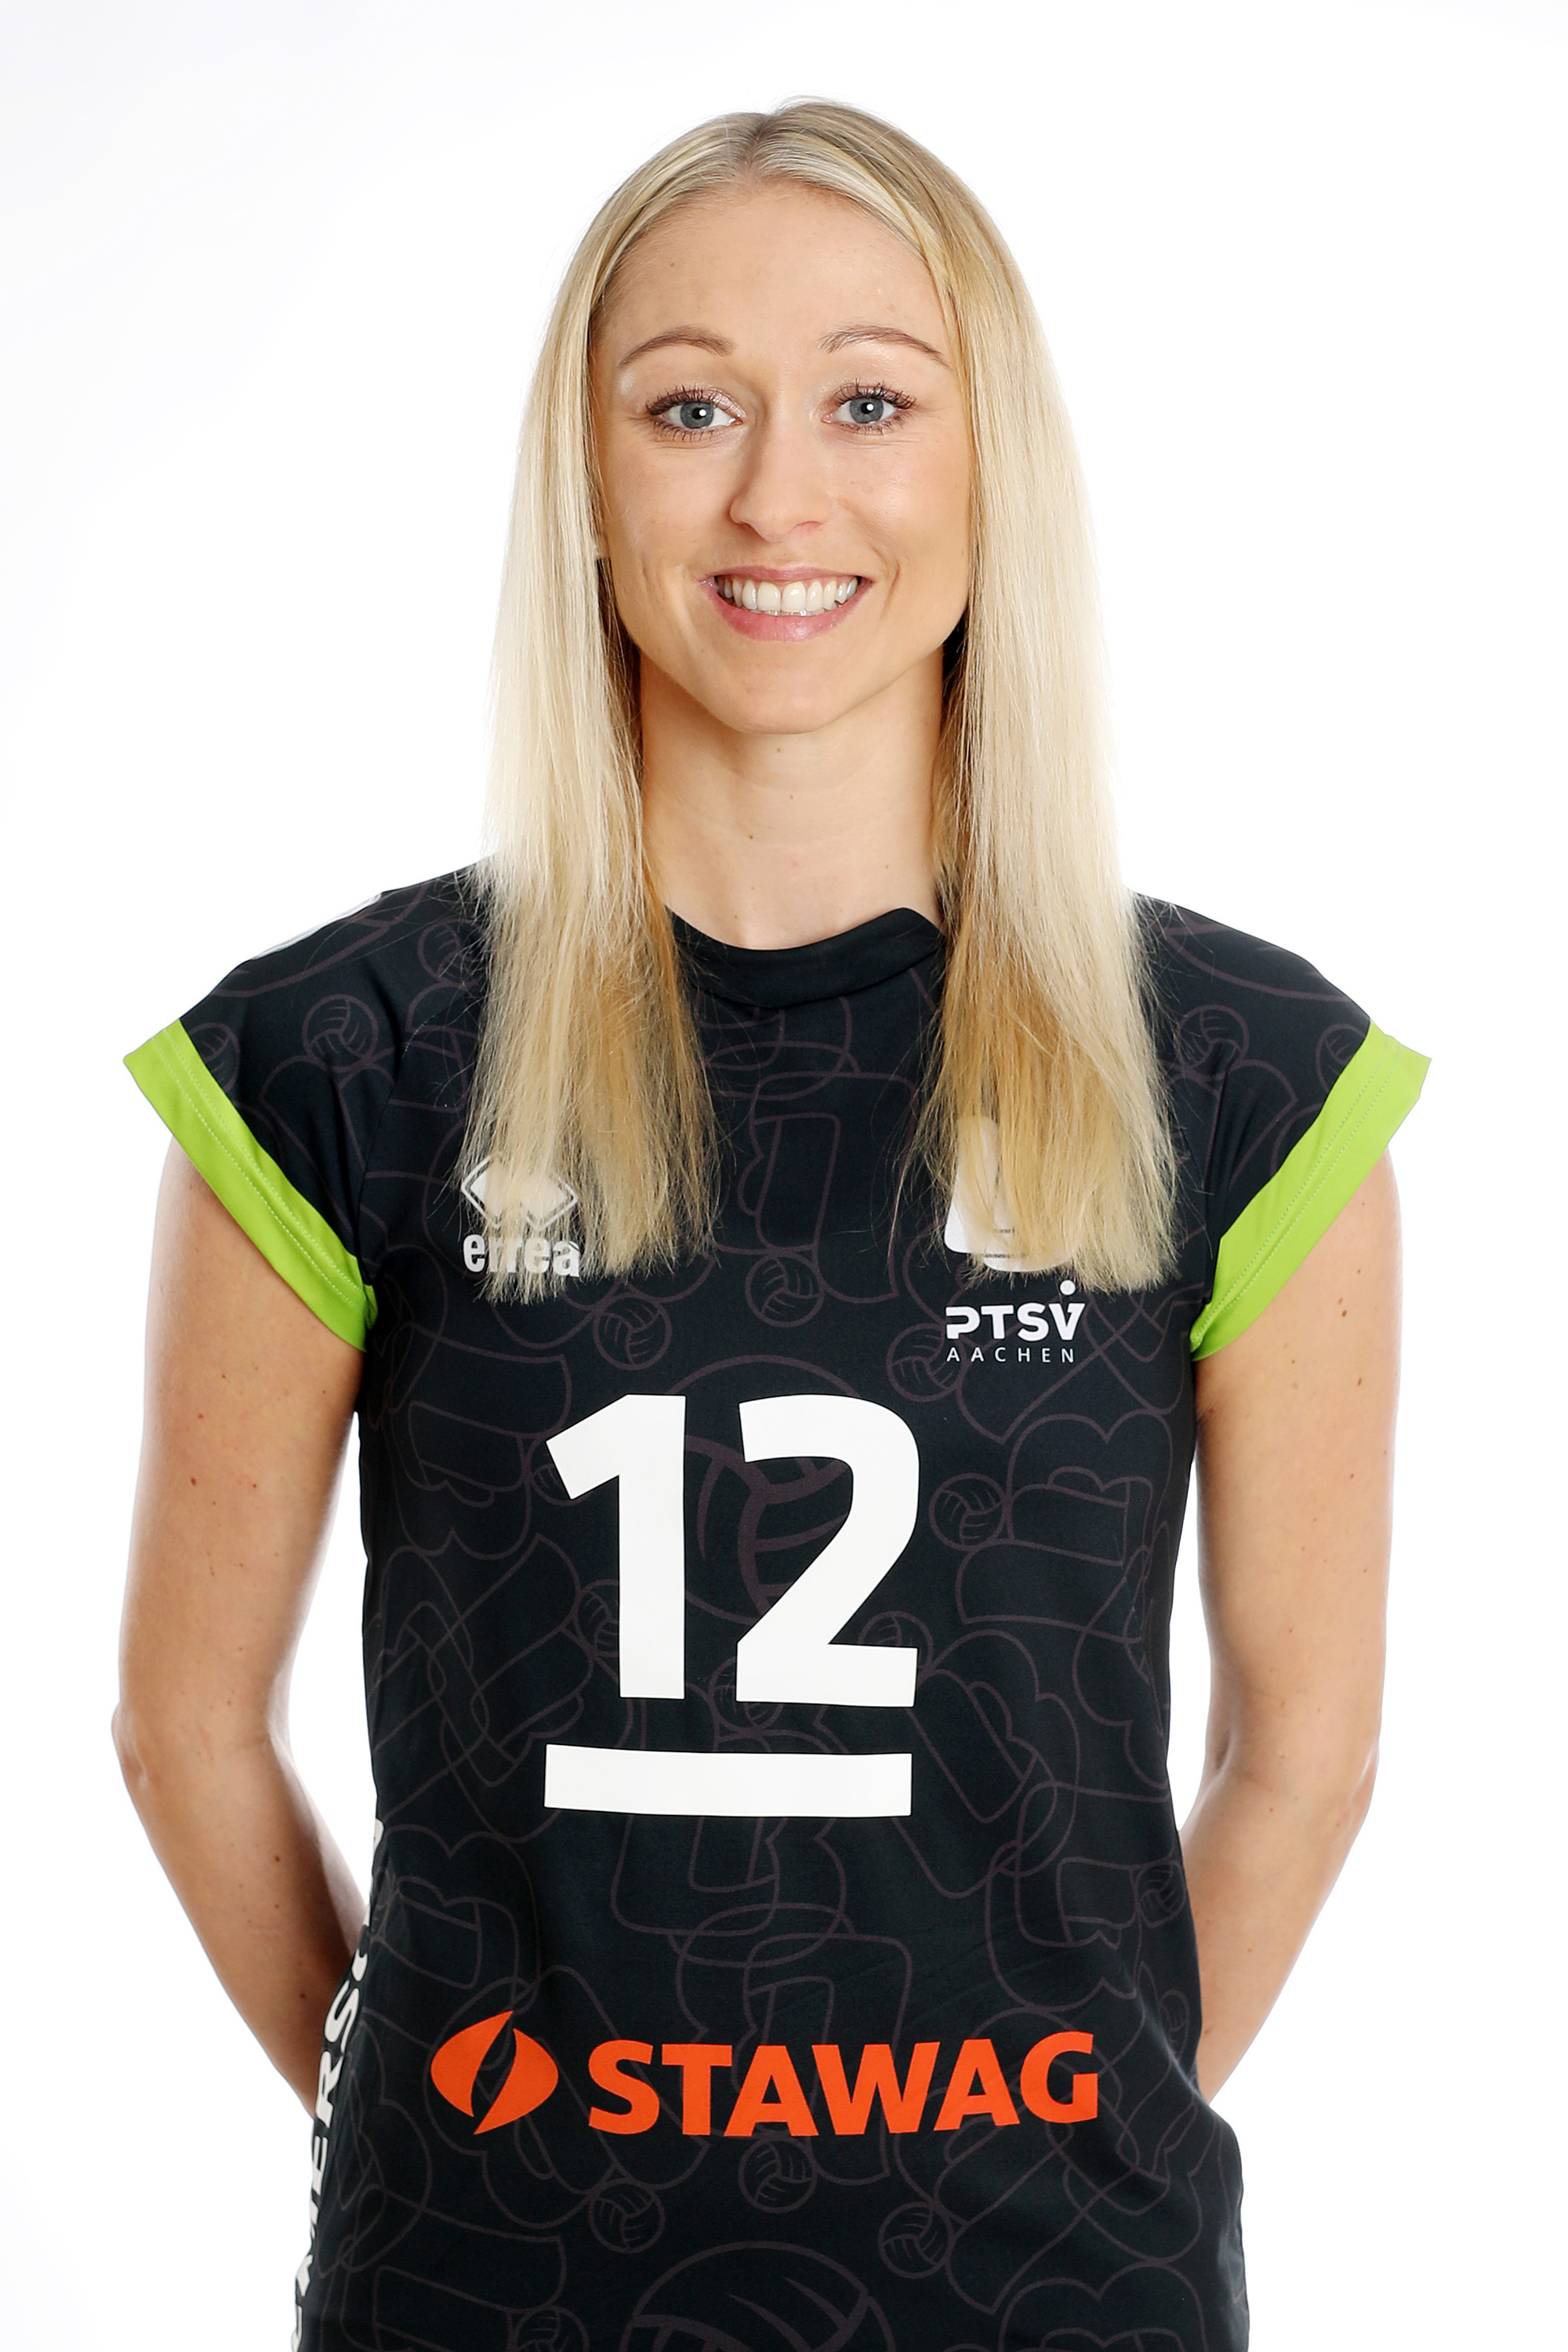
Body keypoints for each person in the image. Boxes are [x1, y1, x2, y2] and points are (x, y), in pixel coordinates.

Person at [115, 100, 1426, 2352]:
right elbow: (184, 1729)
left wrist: (1055, 2143)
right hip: (485, 2296)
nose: (778, 499)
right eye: (689, 407)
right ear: (584, 477)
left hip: (1052, 2299)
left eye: (872, 403)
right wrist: (438, 2131)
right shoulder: (343, 1062)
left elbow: (1300, 1759)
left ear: (993, 465)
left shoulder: (1239, 1077)